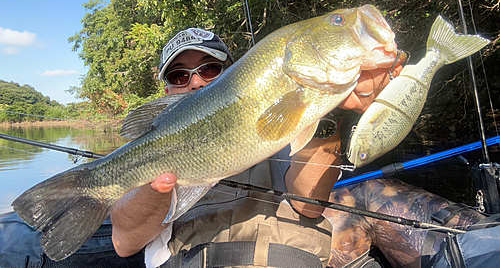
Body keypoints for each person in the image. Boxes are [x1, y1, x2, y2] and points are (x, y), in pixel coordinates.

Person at [109, 27, 405, 268]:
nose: (196, 82)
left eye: (210, 69)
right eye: (179, 75)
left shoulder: (280, 124)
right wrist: (155, 188)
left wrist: (328, 111)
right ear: (167, 91)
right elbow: (124, 244)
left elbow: (308, 205)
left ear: (235, 73)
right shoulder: (149, 149)